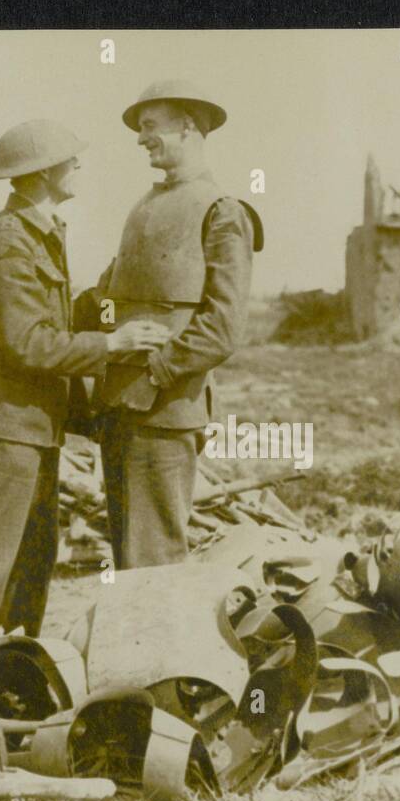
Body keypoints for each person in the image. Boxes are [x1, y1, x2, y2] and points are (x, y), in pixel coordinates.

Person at [0, 119, 167, 691]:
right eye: (70, 161)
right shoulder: (9, 241)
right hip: (5, 429)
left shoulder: (39, 232)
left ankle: (4, 689)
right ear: (43, 172)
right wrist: (113, 344)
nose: (78, 168)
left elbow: (50, 323)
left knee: (29, 567)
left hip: (32, 429)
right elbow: (27, 343)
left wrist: (107, 293)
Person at [93, 80, 263, 569]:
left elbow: (223, 326)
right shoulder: (143, 206)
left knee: (155, 558)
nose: (141, 139)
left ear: (187, 126)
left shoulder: (223, 212)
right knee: (130, 555)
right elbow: (107, 301)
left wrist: (155, 375)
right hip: (119, 407)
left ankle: (163, 648)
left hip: (165, 412)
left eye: (150, 126)